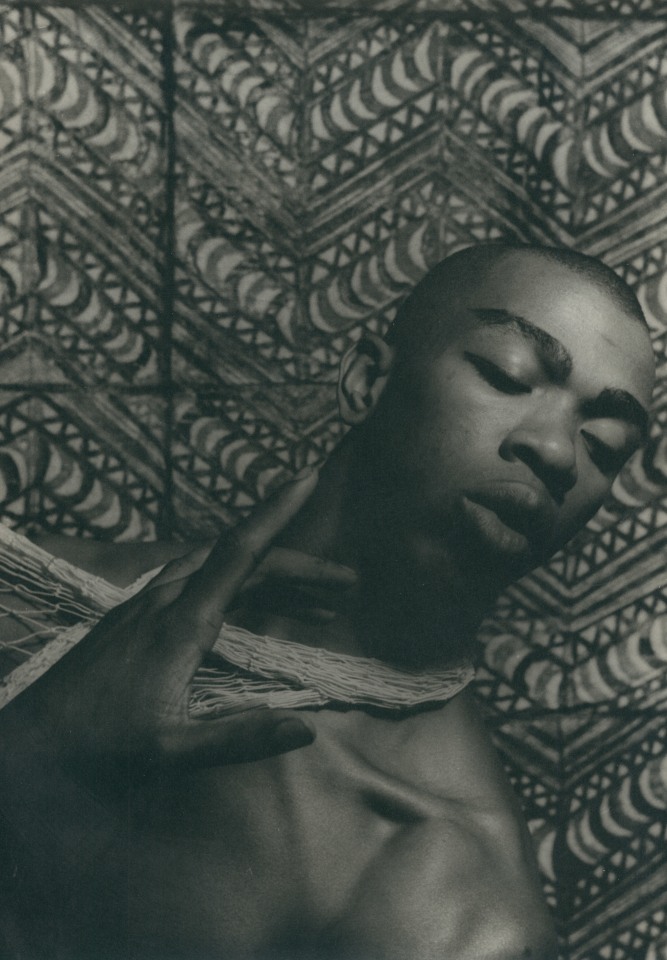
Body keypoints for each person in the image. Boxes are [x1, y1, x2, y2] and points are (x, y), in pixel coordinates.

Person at [0, 242, 655, 960]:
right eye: (509, 375)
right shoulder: (26, 591)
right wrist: (37, 746)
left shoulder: (468, 911)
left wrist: (38, 765)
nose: (559, 451)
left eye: (605, 442)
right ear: (368, 379)